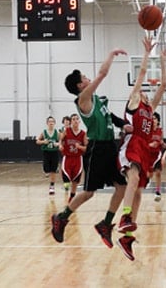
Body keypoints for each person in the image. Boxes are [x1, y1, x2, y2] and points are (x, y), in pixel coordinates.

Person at [51, 48, 130, 249]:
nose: (88, 78)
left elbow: (108, 115)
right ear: (80, 85)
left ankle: (105, 223)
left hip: (110, 146)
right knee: (88, 192)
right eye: (85, 77)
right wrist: (111, 54)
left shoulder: (96, 100)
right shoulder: (83, 98)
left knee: (122, 187)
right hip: (97, 149)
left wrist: (123, 124)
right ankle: (62, 217)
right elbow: (102, 74)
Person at [116, 36, 166, 261]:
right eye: (142, 91)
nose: (145, 92)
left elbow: (164, 85)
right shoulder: (135, 101)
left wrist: (164, 61)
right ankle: (125, 217)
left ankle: (126, 236)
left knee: (137, 192)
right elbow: (140, 76)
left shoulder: (150, 106)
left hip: (145, 149)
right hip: (132, 144)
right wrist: (147, 54)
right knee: (134, 179)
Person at [59, 113, 87, 202]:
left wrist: (80, 147)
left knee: (75, 180)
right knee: (66, 177)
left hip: (77, 158)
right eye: (73, 119)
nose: (75, 121)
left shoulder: (83, 134)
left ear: (79, 121)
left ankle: (72, 196)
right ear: (71, 122)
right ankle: (66, 185)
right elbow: (60, 140)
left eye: (76, 119)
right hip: (67, 157)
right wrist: (60, 145)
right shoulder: (66, 131)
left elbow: (87, 148)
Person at [36, 116, 61, 195]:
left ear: (54, 123)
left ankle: (52, 187)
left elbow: (62, 141)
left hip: (54, 152)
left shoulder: (57, 133)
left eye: (52, 121)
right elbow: (37, 141)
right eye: (49, 121)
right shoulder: (44, 132)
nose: (51, 123)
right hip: (46, 152)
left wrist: (58, 144)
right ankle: (47, 170)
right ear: (47, 123)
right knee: (46, 169)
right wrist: (43, 142)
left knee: (53, 171)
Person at [150, 112, 166, 202]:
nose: (153, 120)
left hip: (157, 155)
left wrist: (163, 144)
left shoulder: (160, 131)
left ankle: (158, 191)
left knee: (158, 173)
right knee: (149, 174)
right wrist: (151, 144)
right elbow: (143, 143)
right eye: (152, 118)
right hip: (148, 154)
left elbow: (162, 143)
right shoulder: (147, 131)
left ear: (158, 120)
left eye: (155, 118)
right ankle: (147, 180)